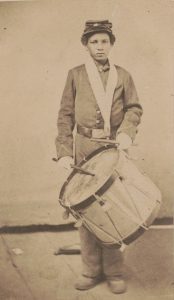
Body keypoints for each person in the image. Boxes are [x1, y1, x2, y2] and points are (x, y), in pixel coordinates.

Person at [55, 20, 143, 294]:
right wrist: (64, 151)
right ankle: (90, 270)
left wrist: (127, 133)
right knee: (87, 212)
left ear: (112, 44)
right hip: (83, 149)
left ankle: (115, 271)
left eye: (105, 41)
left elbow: (134, 108)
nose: (100, 46)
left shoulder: (123, 75)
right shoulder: (75, 74)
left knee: (113, 209)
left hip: (113, 149)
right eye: (94, 41)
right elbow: (65, 115)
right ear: (86, 45)